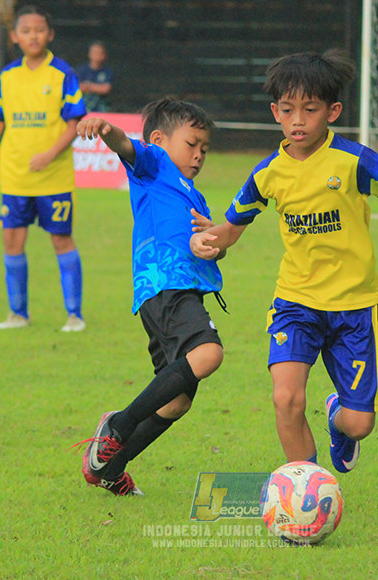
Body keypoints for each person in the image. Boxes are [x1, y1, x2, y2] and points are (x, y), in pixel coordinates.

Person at [190, 50, 378, 475]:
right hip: (295, 302)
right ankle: (304, 489)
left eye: (310, 110)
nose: (298, 120)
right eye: (289, 110)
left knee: (359, 423)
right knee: (286, 398)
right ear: (275, 112)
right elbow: (231, 229)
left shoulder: (356, 161)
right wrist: (209, 241)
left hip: (354, 307)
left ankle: (338, 417)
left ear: (332, 111)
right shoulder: (267, 173)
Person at [75, 99, 223, 497]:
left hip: (179, 291)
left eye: (204, 149)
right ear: (159, 139)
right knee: (209, 354)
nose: (198, 155)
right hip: (165, 285)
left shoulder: (194, 195)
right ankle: (118, 427)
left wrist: (214, 241)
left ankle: (109, 468)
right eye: (192, 144)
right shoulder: (154, 164)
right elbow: (125, 145)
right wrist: (104, 128)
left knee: (175, 403)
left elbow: (209, 247)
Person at [0, 4, 88, 331]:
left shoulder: (63, 74)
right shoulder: (8, 77)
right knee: (12, 242)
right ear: (15, 37)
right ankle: (17, 314)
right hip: (14, 178)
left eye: (39, 30)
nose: (33, 36)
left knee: (61, 240)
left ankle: (74, 315)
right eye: (26, 31)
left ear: (50, 34)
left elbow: (74, 124)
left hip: (53, 178)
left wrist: (49, 155)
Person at [76, 41, 114, 113]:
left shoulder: (107, 71)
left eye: (100, 53)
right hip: (84, 109)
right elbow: (78, 87)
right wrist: (97, 87)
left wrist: (88, 86)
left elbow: (106, 89)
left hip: (102, 109)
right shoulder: (82, 69)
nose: (98, 55)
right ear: (90, 54)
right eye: (95, 53)